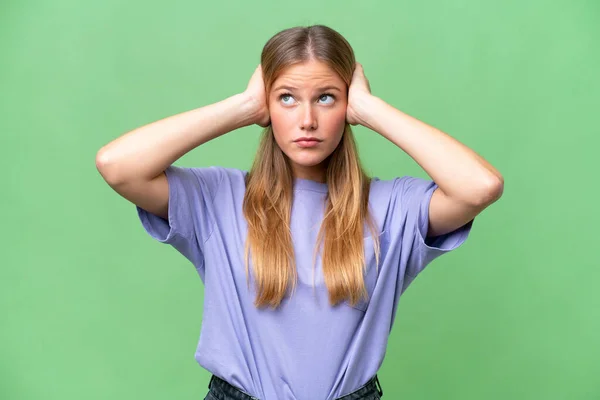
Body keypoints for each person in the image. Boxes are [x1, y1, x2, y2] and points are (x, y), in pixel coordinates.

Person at [96, 24, 503, 400]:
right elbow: (117, 165)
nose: (307, 120)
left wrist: (371, 109)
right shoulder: (218, 197)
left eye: (327, 97)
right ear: (267, 106)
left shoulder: (391, 206)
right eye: (286, 98)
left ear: (348, 106)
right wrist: (241, 107)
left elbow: (480, 186)